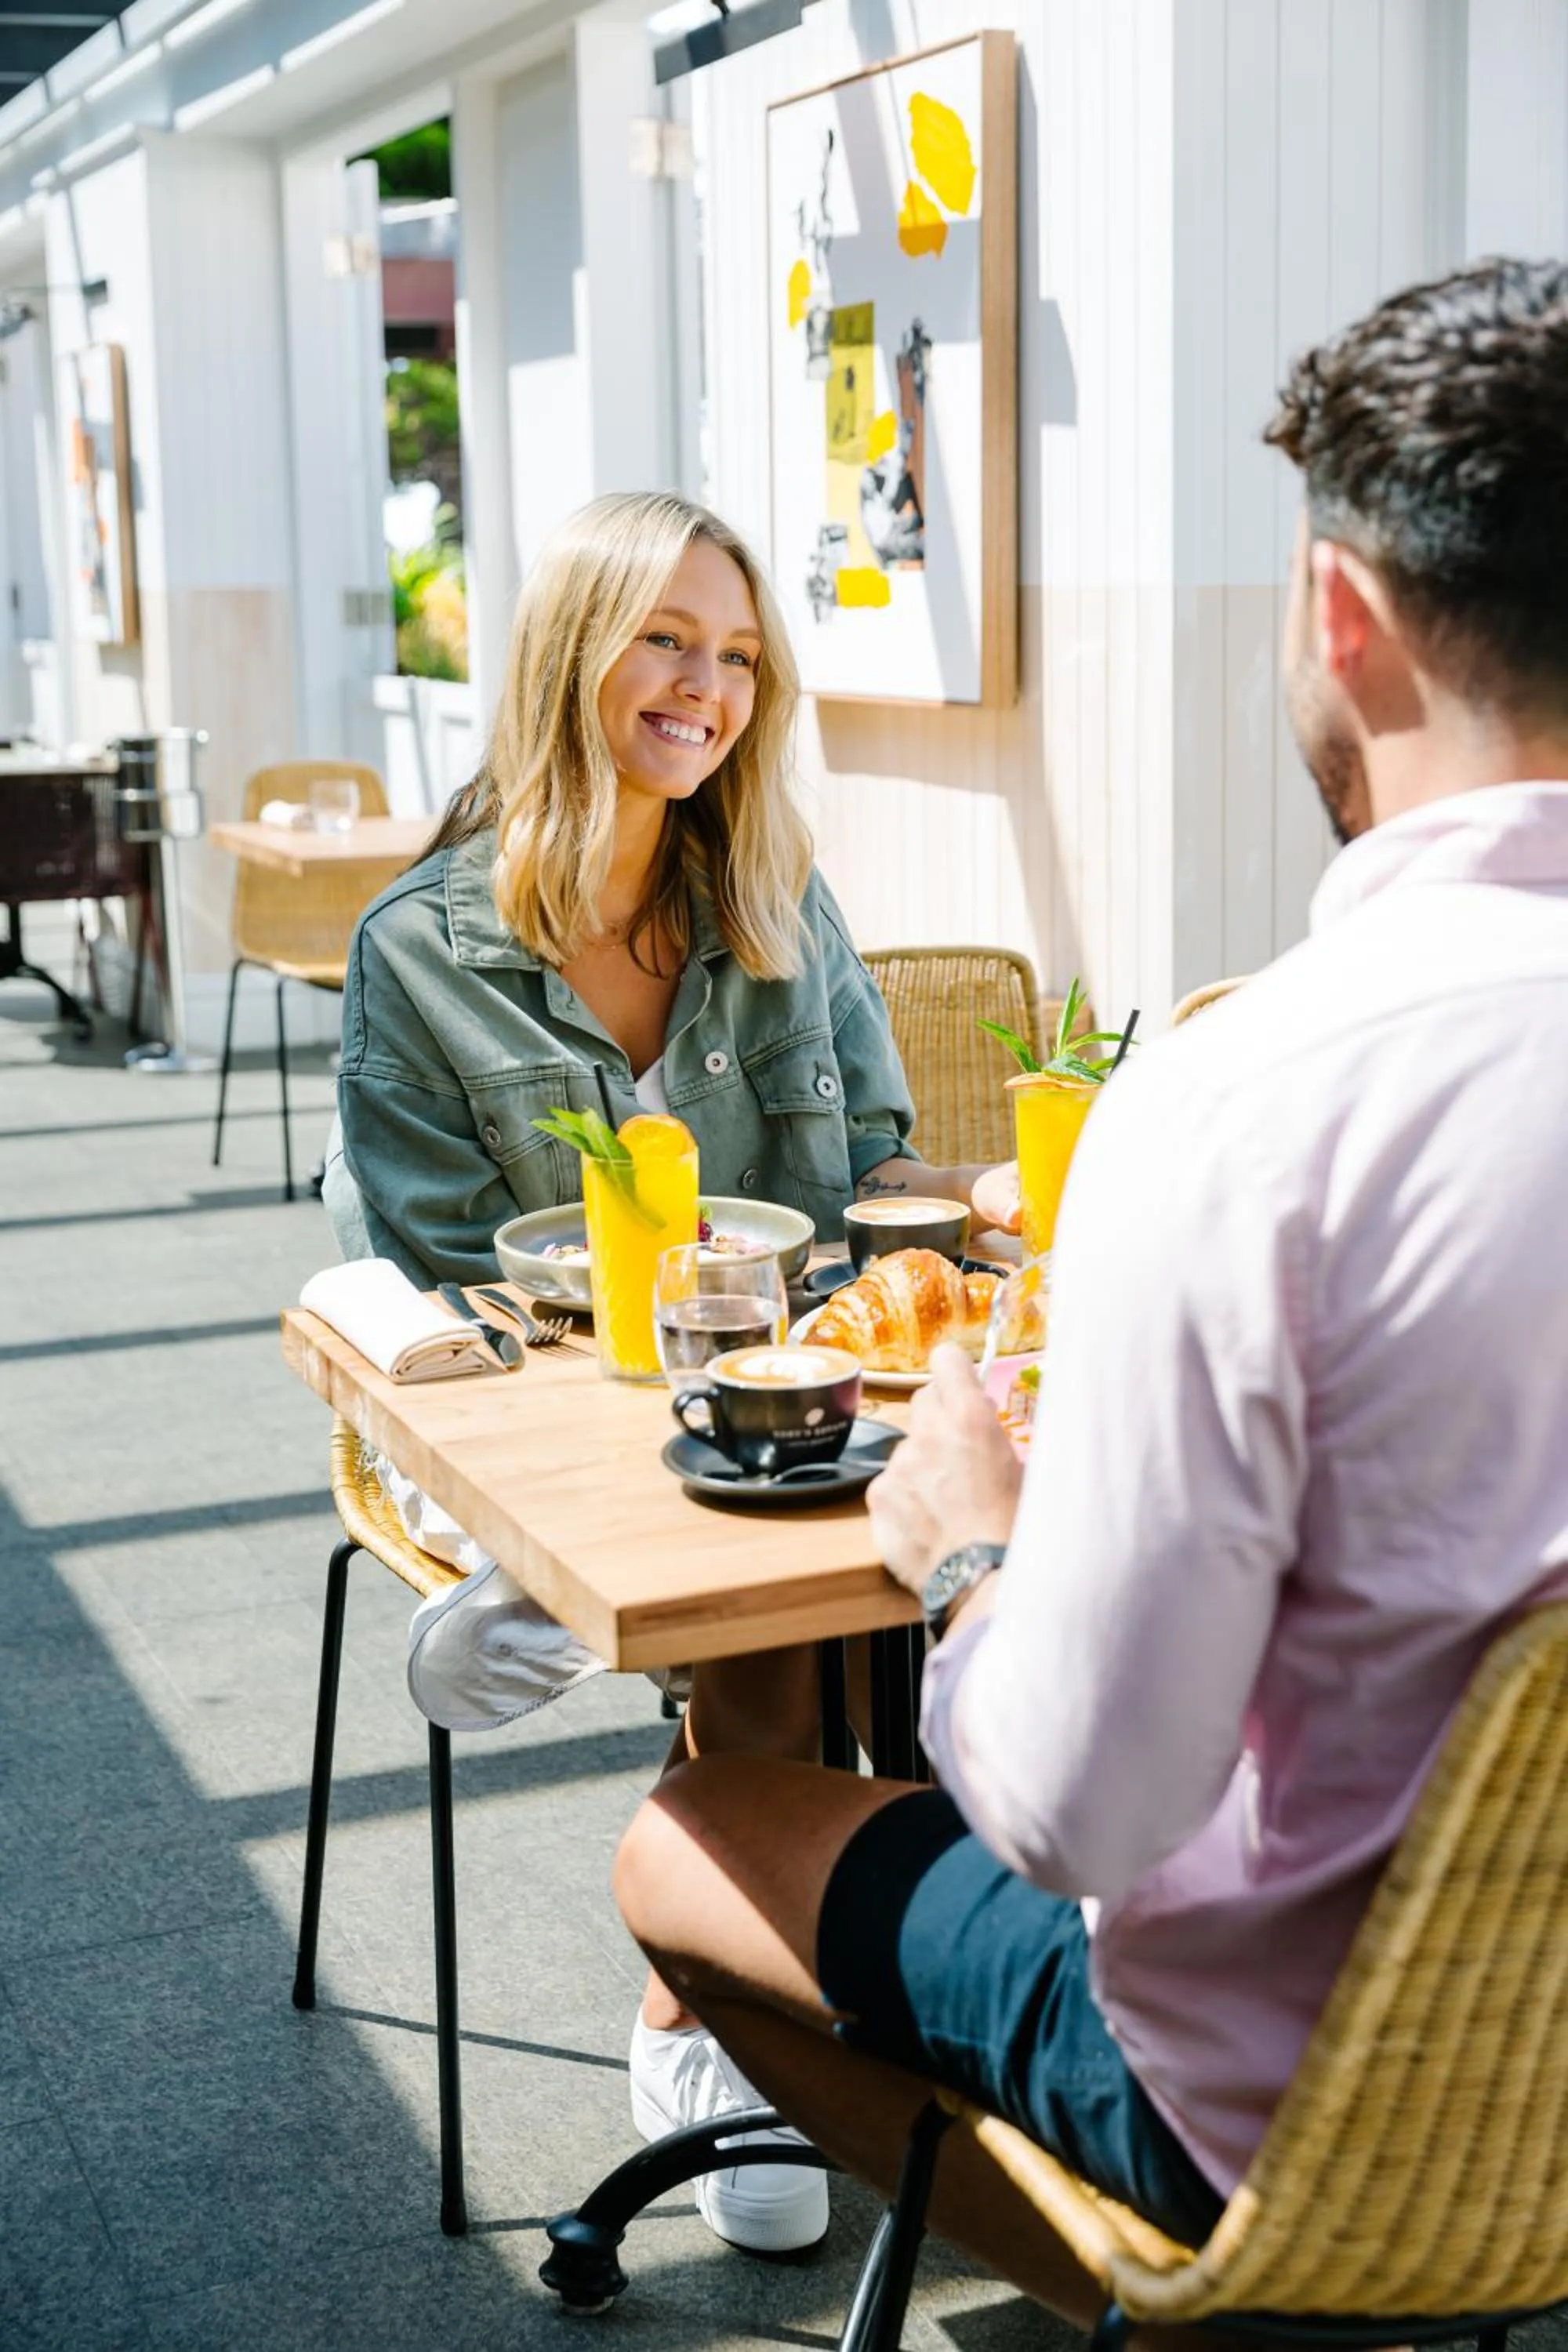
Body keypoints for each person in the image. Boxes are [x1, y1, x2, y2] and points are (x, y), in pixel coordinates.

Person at [612, 256, 1568, 2311]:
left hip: (1302, 2119)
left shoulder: (1255, 1108)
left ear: (1341, 615)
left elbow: (1077, 1812)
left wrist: (971, 1556)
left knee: (685, 1833)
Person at [321, 488, 1013, 2256]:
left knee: (942, 1541)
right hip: (541, 1393)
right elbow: (441, 1263)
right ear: (576, 650)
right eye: (668, 640)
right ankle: (704, 2014)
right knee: (779, 1595)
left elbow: (867, 1169)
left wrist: (959, 1217)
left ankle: (809, 1937)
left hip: (776, 1394)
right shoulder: (420, 950)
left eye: (737, 657)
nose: (705, 688)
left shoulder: (776, 897)